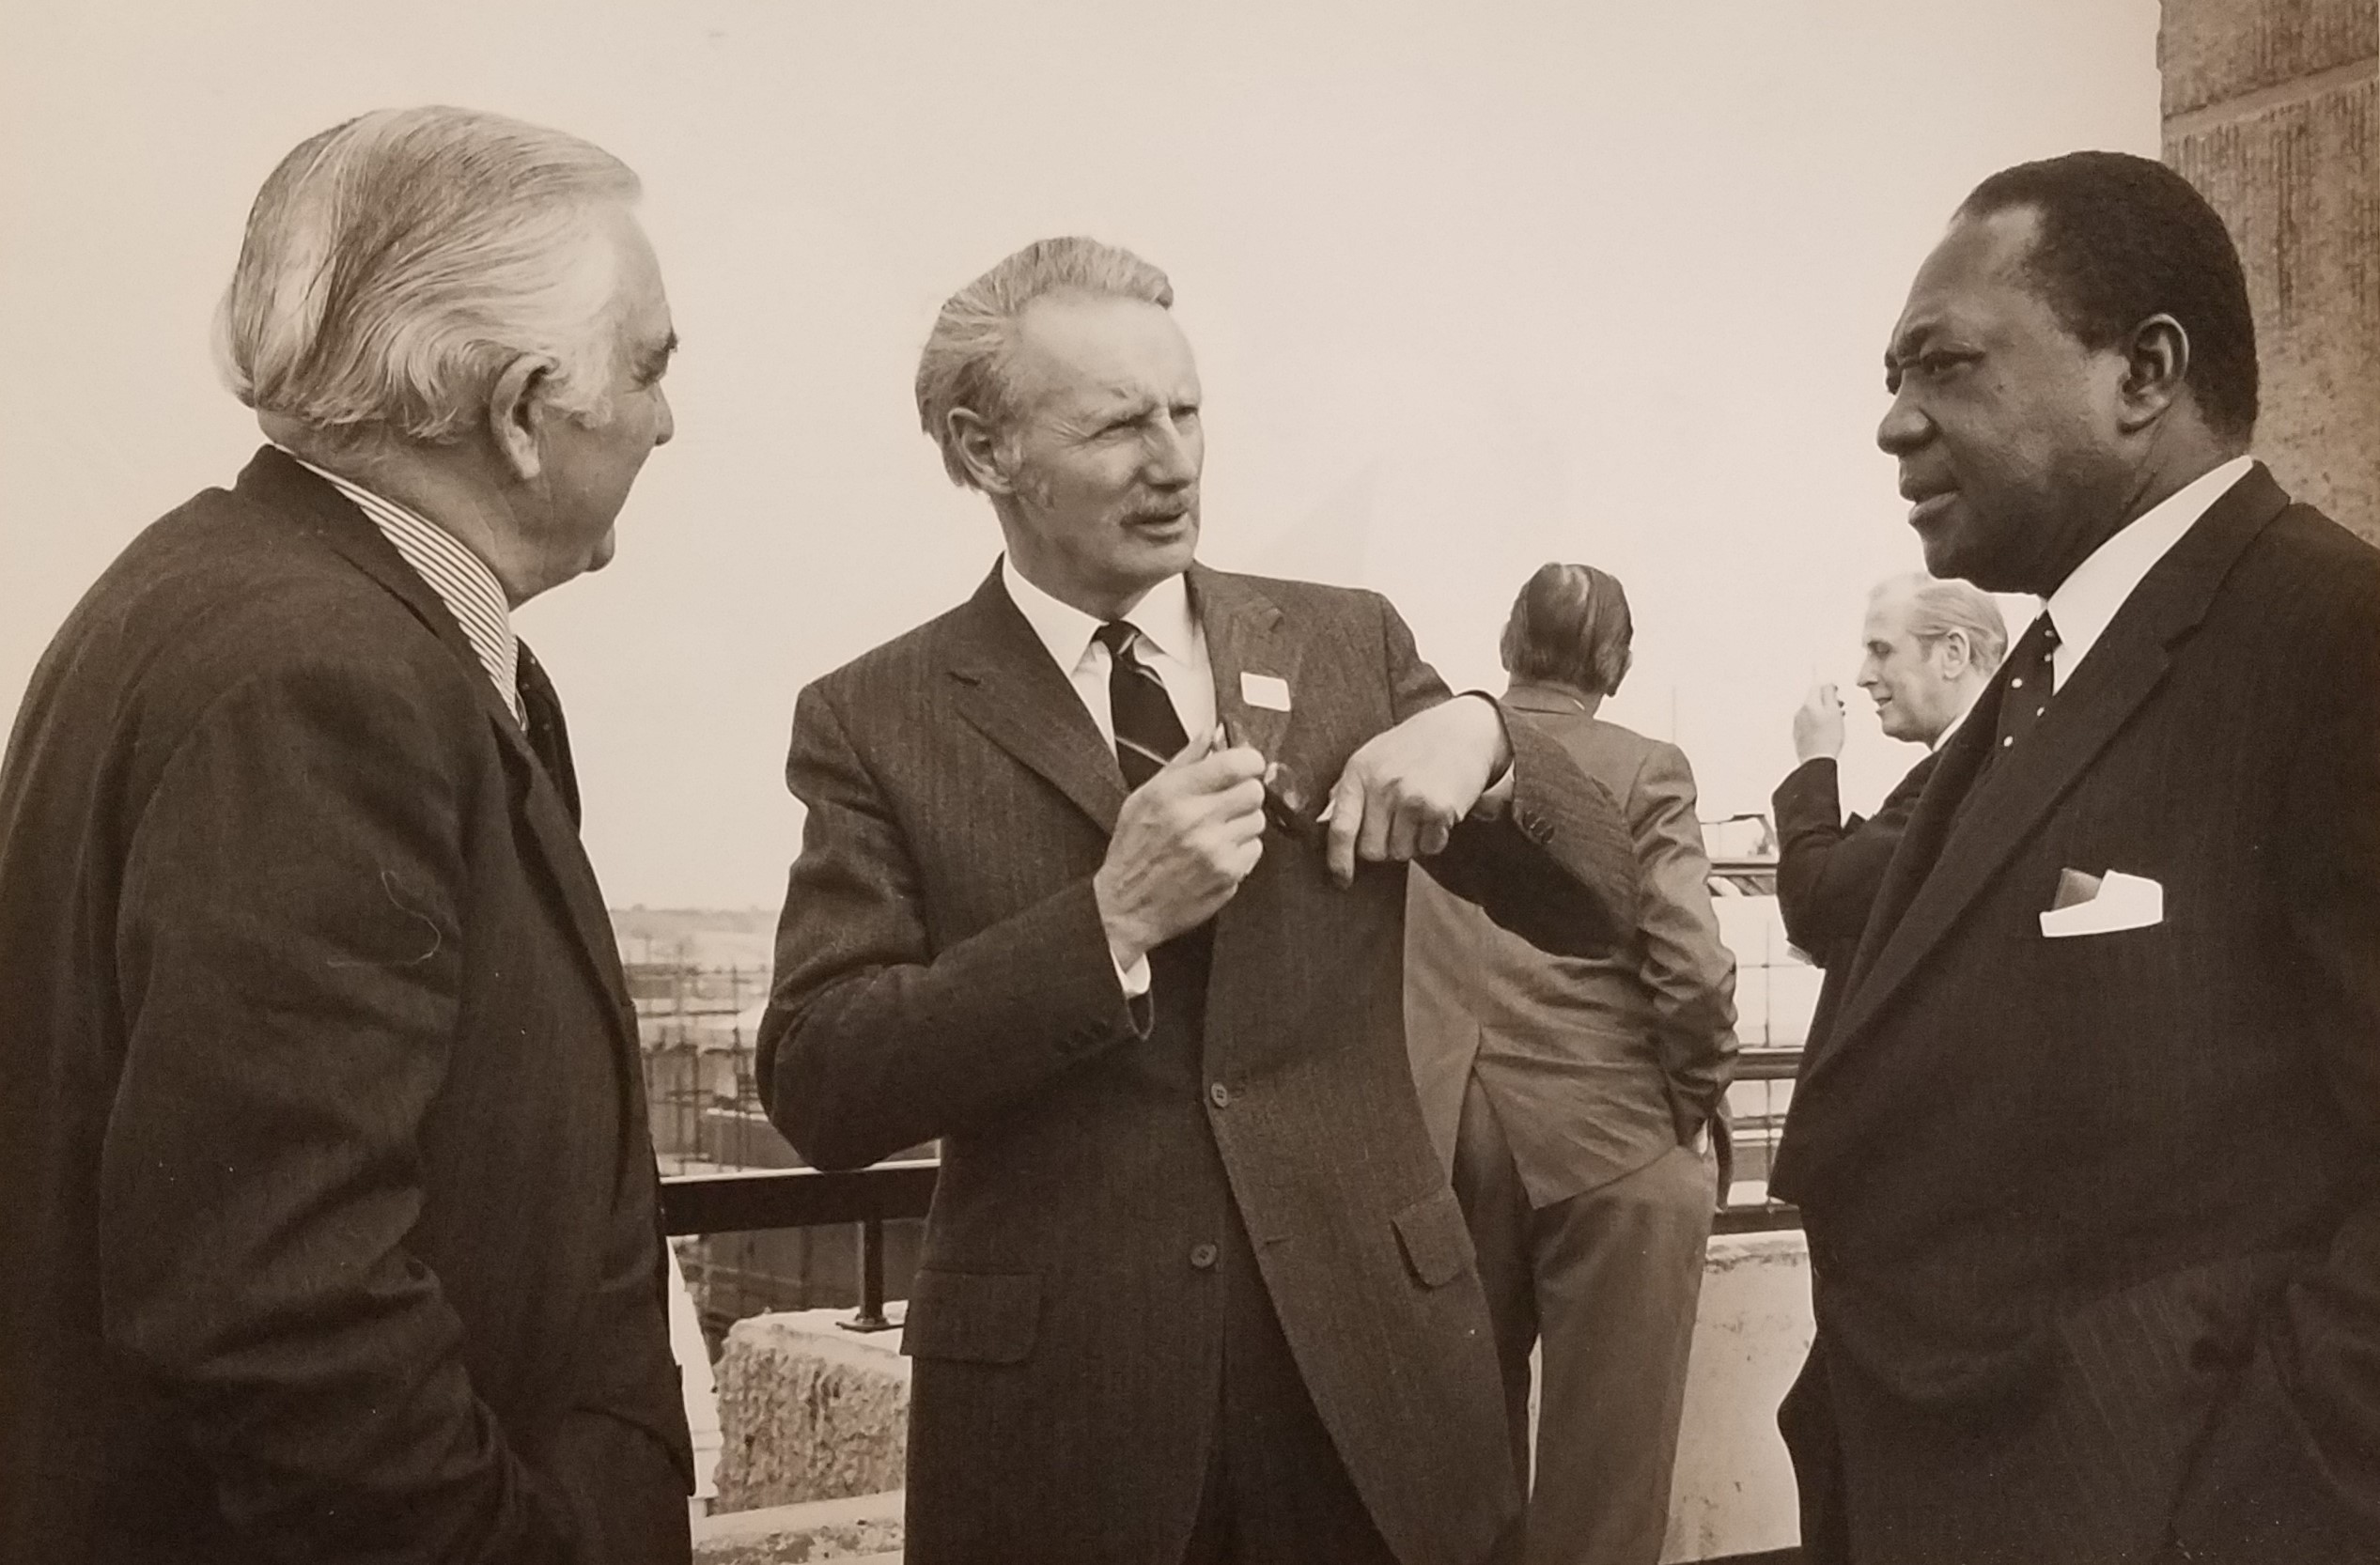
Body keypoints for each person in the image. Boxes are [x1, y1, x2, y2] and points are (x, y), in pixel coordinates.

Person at [756, 237, 1635, 1565]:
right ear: (984, 448)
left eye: (1185, 409)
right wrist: (1103, 924)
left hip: (1381, 1392)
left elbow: (1601, 903)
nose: (1173, 461)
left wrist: (1487, 738)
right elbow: (819, 1079)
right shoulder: (878, 716)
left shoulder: (1347, 641)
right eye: (1117, 424)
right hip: (1070, 1427)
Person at [0, 108, 692, 1564]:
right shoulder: (328, 680)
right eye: (648, 367)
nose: (665, 420)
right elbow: (275, 1297)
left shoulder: (245, 603)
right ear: (521, 408)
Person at [1768, 150, 2380, 1564]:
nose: (1890, 423)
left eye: (1946, 365)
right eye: (1888, 372)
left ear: (2142, 373)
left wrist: (2255, 1520)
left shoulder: (2331, 642)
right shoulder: (2040, 672)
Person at [1404, 562, 1738, 1565]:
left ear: (1507, 646)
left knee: (1458, 1474)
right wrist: (1687, 1103)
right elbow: (1690, 966)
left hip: (1440, 1138)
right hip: (1608, 1143)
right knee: (1605, 1482)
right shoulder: (1646, 767)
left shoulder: (1431, 758)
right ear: (1617, 664)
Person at [1772, 574, 2005, 1016]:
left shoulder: (1962, 775)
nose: (1863, 677)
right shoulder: (1987, 756)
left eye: (1881, 650)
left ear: (1953, 654)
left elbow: (1815, 906)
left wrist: (1816, 761)